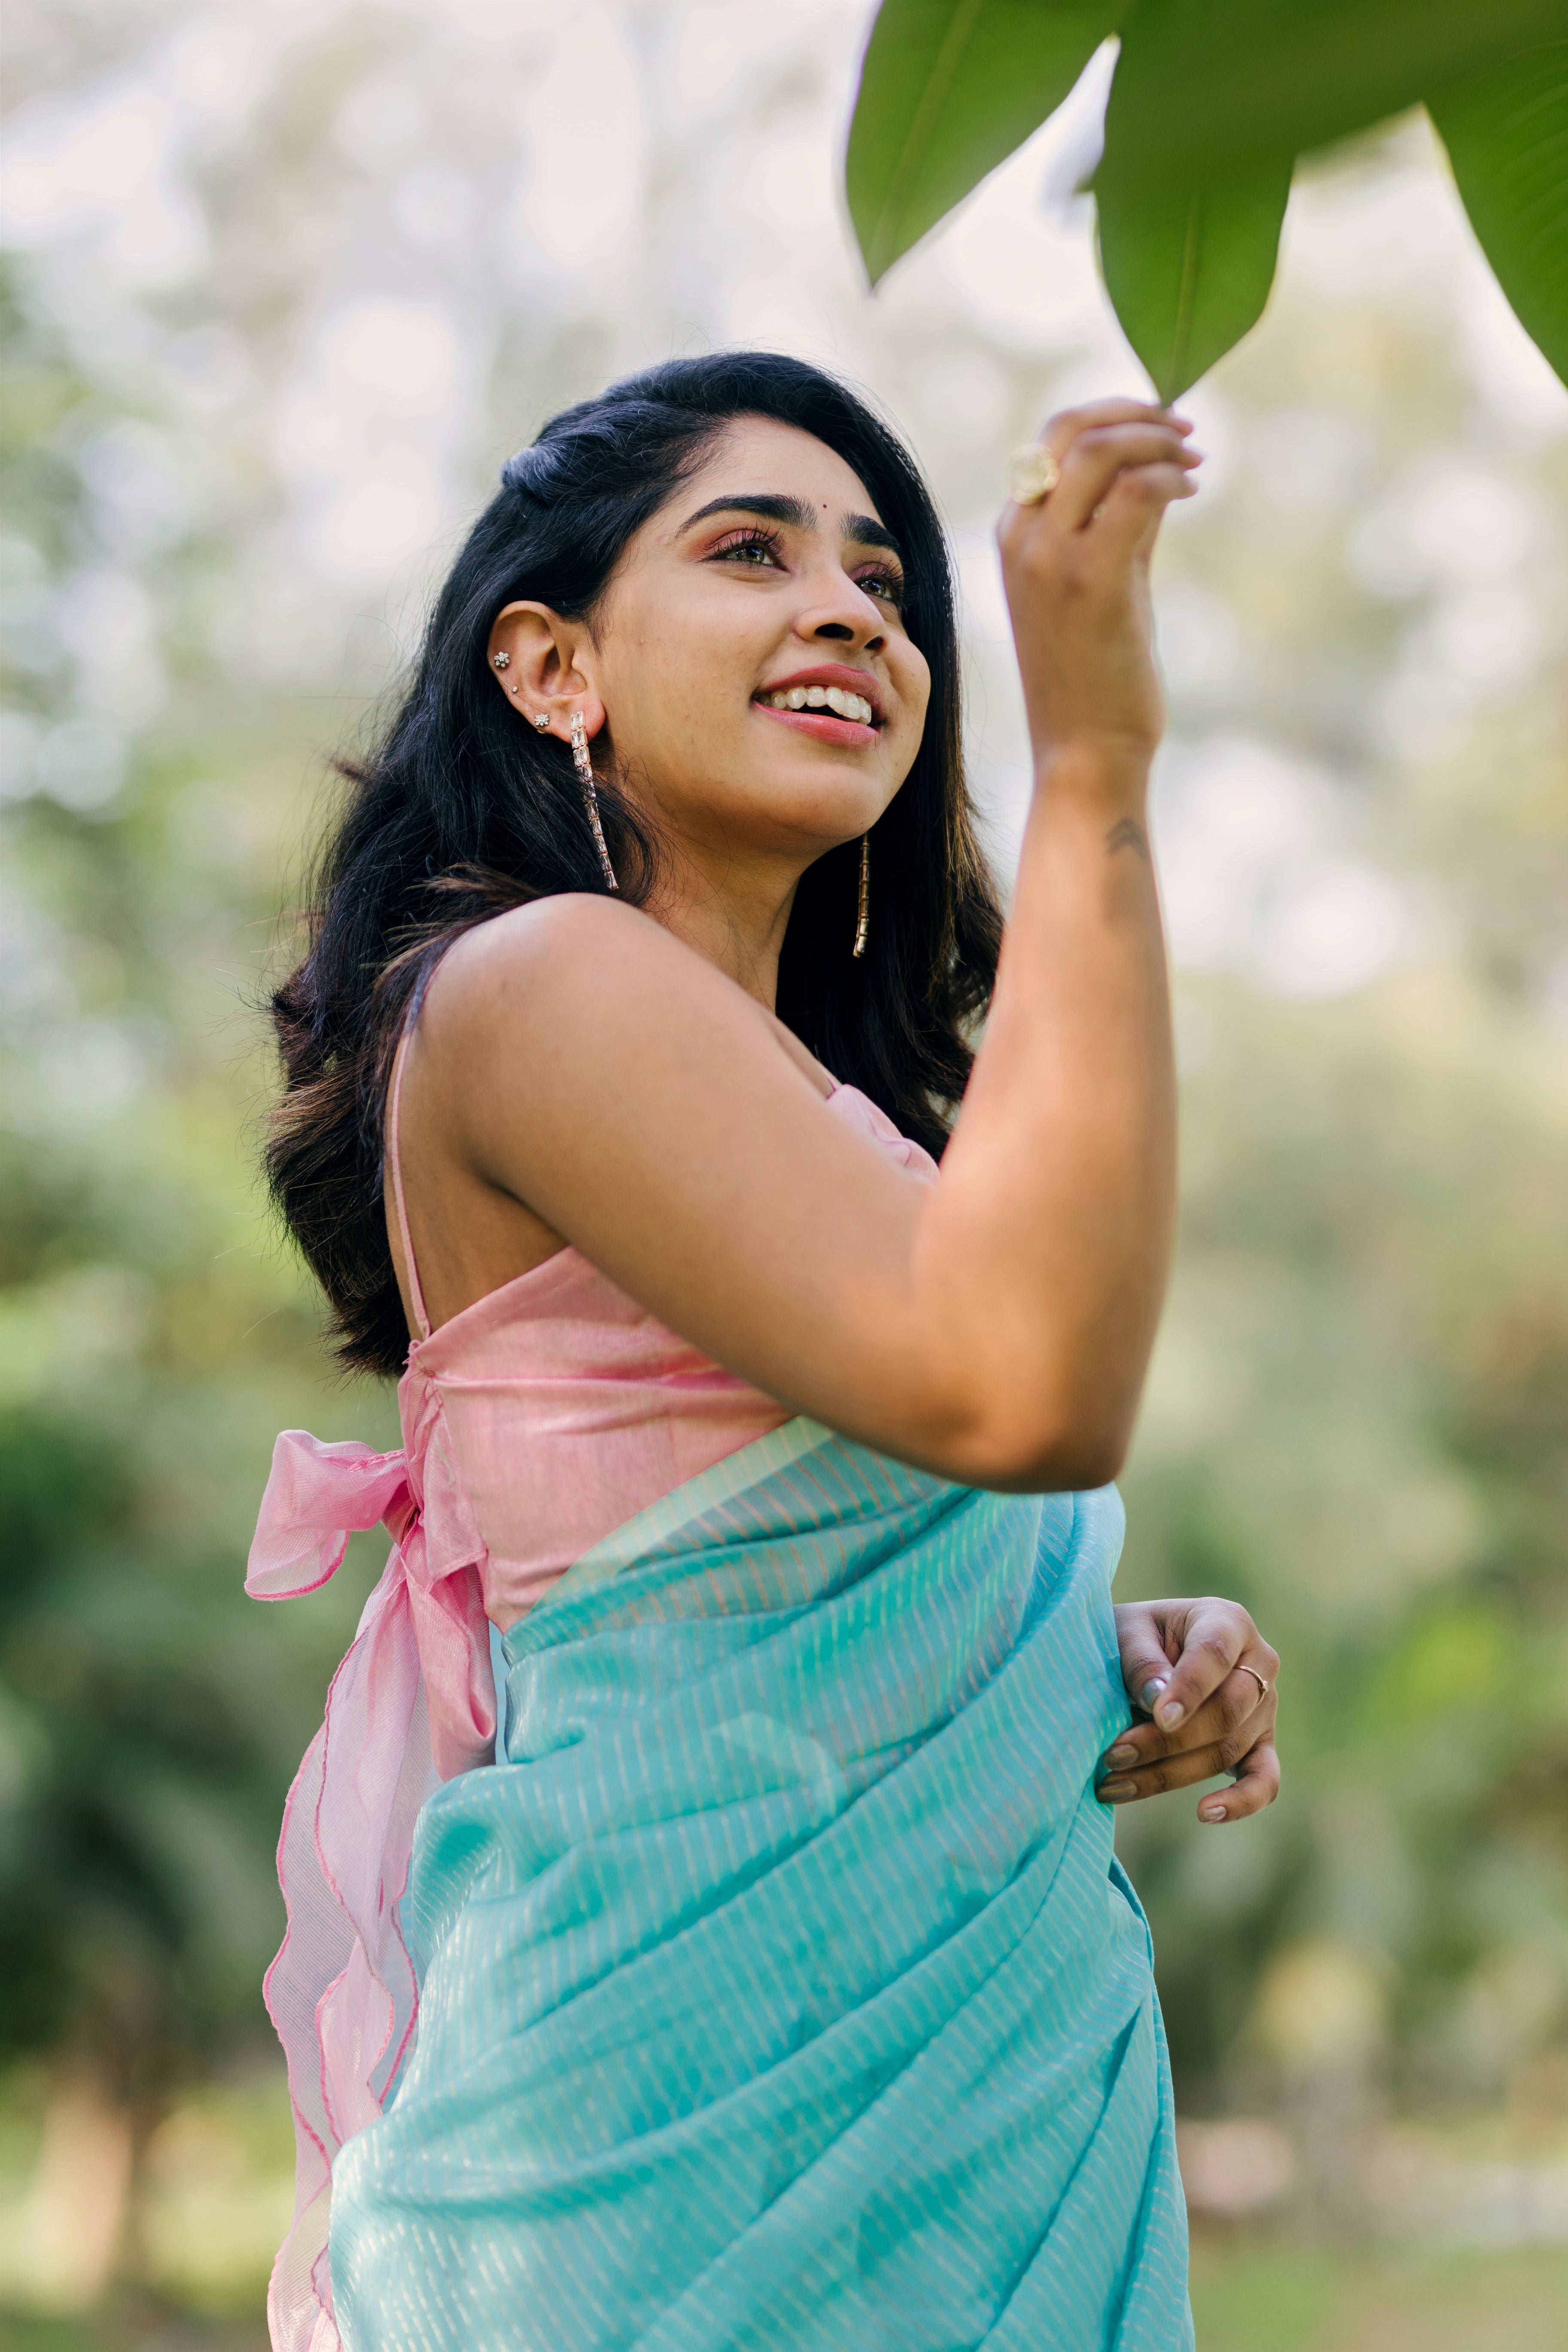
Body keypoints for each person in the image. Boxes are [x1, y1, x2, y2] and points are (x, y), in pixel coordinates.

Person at [249, 352, 1280, 2352]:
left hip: (980, 2128)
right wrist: (1094, 766)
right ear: (553, 667)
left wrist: (1085, 1639)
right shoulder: (537, 978)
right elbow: (1025, 1391)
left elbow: (799, 1543)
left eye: (888, 580)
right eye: (751, 549)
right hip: (669, 2161)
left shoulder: (833, 1118)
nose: (851, 609)